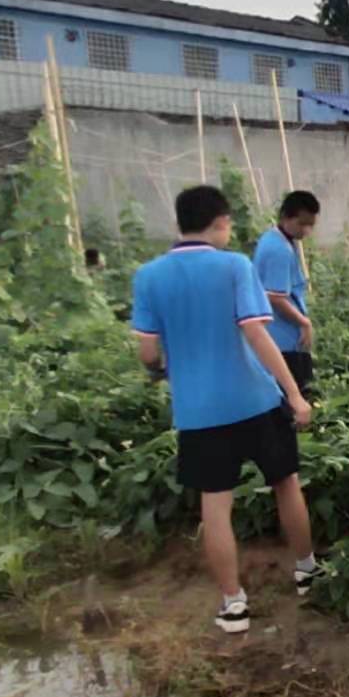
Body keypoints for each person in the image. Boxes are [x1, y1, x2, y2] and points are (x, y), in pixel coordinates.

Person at [132, 185, 317, 636]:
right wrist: (294, 394)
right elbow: (257, 335)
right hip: (255, 400)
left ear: (180, 223)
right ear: (220, 223)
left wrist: (162, 370)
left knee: (215, 509)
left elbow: (148, 351)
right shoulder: (235, 266)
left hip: (199, 414)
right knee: (286, 483)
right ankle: (307, 571)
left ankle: (234, 605)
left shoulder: (149, 276)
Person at [253, 191, 319, 396]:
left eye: (311, 225)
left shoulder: (275, 239)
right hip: (283, 340)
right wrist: (304, 322)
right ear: (285, 217)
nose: (306, 230)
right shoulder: (279, 250)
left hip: (278, 338)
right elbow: (274, 297)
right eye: (302, 224)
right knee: (296, 398)